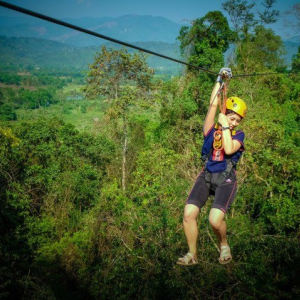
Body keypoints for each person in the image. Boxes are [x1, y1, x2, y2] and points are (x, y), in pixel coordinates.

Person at [177, 68, 247, 266]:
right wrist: (220, 79)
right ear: (225, 115)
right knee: (188, 214)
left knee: (215, 220)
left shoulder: (238, 137)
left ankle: (224, 244)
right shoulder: (210, 130)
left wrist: (225, 125)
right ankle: (192, 255)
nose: (234, 123)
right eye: (231, 118)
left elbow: (228, 148)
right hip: (207, 176)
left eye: (237, 121)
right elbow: (213, 103)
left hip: (226, 179)